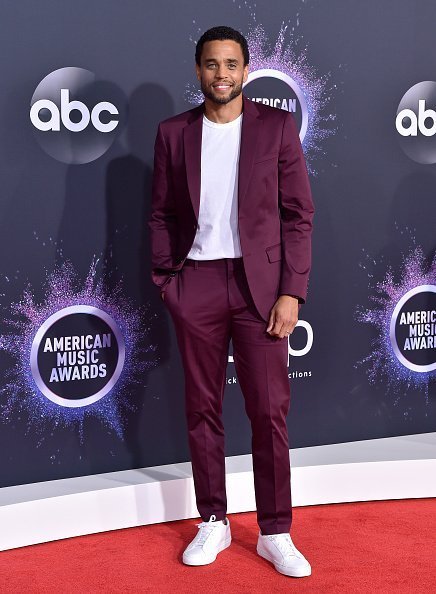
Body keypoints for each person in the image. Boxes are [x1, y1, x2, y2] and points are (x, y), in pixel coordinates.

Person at [148, 25, 314, 578]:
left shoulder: (277, 127)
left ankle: (275, 531)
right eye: (212, 64)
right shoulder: (174, 133)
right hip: (194, 283)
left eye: (232, 64)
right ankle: (214, 519)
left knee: (268, 411)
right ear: (198, 71)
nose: (222, 74)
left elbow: (298, 215)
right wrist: (168, 283)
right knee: (202, 410)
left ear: (246, 69)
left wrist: (291, 290)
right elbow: (162, 214)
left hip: (259, 290)